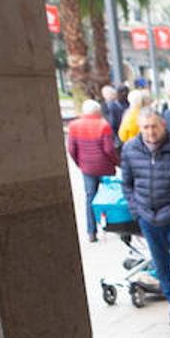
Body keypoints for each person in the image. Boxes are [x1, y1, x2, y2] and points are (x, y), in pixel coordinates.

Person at [119, 107, 170, 331]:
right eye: (145, 127)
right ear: (140, 128)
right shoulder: (130, 149)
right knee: (161, 264)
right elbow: (126, 183)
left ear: (163, 125)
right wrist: (136, 210)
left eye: (154, 126)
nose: (150, 132)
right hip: (148, 217)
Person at [67, 100, 121, 243]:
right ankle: (113, 227)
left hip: (87, 168)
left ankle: (91, 232)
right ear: (97, 112)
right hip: (105, 167)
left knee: (90, 198)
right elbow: (109, 149)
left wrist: (80, 163)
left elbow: (71, 149)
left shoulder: (74, 126)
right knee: (110, 198)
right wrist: (117, 162)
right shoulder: (103, 125)